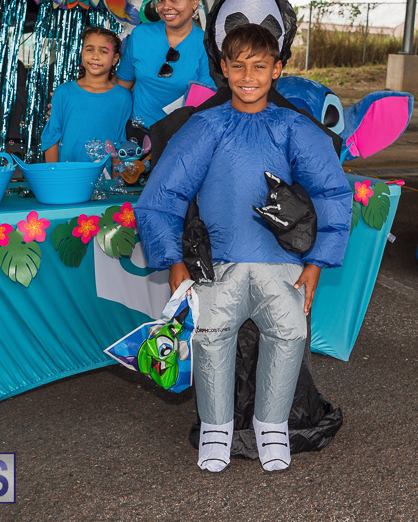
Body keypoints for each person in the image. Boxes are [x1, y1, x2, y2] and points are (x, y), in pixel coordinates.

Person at [134, 24, 353, 473]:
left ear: (277, 69)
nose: (248, 75)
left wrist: (315, 264)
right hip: (220, 265)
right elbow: (163, 195)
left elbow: (332, 192)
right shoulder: (206, 126)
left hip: (283, 266)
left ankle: (271, 425)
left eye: (259, 66)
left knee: (289, 334)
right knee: (211, 337)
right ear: (223, 69)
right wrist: (173, 262)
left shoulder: (293, 126)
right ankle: (216, 427)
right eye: (238, 65)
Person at [114, 0, 214, 127]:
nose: (165, 6)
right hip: (138, 136)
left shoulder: (206, 45)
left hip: (180, 137)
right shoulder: (140, 35)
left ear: (194, 2)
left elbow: (205, 102)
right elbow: (121, 88)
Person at [42, 27, 132, 162]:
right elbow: (52, 137)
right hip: (67, 176)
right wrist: (55, 176)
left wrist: (115, 182)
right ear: (82, 52)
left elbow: (119, 143)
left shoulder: (123, 97)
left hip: (105, 179)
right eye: (89, 49)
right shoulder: (64, 92)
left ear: (115, 58)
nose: (95, 56)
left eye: (103, 51)